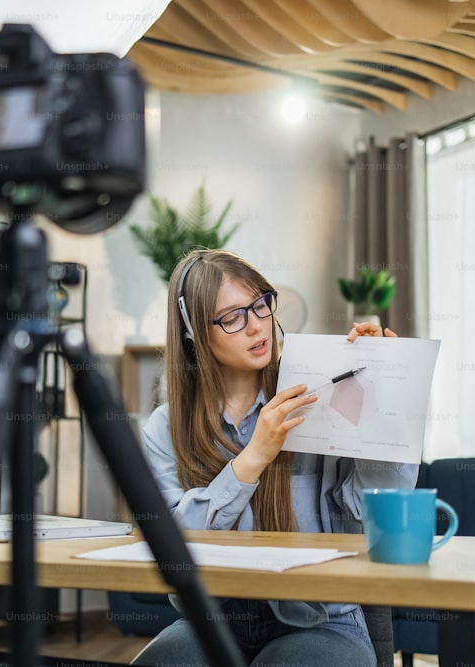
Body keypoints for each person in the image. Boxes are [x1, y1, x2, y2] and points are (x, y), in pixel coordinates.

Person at [131, 249, 418, 667]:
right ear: (193, 333)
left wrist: (385, 399)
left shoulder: (316, 398)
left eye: (260, 303)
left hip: (321, 621)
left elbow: (370, 513)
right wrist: (252, 459)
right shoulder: (165, 427)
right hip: (213, 619)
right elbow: (171, 547)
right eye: (232, 317)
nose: (256, 325)